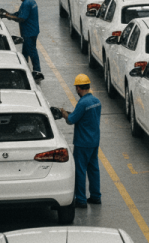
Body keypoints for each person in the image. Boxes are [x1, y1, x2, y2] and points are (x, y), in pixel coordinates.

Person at [58, 74, 101, 209]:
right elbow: (85, 117)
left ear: (78, 88)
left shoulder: (82, 103)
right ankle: (95, 196)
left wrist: (63, 113)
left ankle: (81, 199)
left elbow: (71, 120)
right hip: (94, 141)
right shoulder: (96, 101)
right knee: (93, 169)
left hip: (82, 142)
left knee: (80, 170)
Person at [0, 0, 41, 74]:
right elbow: (19, 13)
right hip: (33, 30)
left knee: (32, 51)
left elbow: (21, 18)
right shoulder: (31, 1)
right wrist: (8, 14)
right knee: (25, 52)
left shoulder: (26, 3)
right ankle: (24, 69)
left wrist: (8, 16)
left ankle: (37, 71)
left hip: (28, 32)